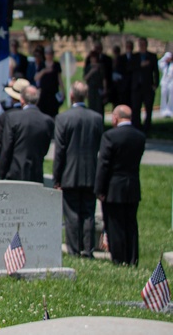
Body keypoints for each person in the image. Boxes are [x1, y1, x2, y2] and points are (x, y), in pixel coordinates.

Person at [52, 81, 104, 258]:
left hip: (69, 172)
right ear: (86, 96)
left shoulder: (63, 118)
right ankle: (87, 249)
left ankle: (74, 249)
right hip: (91, 172)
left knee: (72, 214)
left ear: (72, 95)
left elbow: (60, 150)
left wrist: (56, 177)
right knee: (88, 212)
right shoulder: (97, 118)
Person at [95, 104, 146, 266]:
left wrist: (99, 189)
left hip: (113, 186)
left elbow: (104, 165)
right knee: (131, 223)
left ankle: (118, 258)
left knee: (115, 224)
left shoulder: (110, 136)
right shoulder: (140, 136)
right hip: (132, 186)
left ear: (116, 118)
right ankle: (132, 258)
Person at [0, 85, 54, 183]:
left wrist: (1, 174)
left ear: (22, 100)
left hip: (14, 173)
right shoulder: (47, 121)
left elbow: (6, 148)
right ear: (37, 100)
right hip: (36, 173)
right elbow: (45, 148)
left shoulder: (12, 118)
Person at [129, 37, 159, 133]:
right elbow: (129, 68)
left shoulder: (152, 56)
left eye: (143, 44)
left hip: (148, 86)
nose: (142, 46)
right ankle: (136, 127)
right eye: (140, 44)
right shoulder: (135, 57)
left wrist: (155, 85)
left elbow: (156, 72)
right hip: (137, 86)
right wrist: (140, 65)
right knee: (135, 108)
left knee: (148, 108)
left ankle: (147, 128)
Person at [160, 51, 173, 118]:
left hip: (171, 82)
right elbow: (159, 64)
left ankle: (170, 110)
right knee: (163, 95)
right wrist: (165, 59)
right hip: (165, 82)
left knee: (171, 96)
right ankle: (164, 110)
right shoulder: (164, 64)